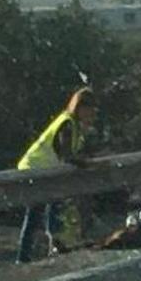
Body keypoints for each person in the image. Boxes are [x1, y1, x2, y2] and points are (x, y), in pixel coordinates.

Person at [15, 87, 97, 263]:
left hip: (46, 171)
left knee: (54, 207)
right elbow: (66, 155)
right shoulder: (67, 124)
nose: (91, 114)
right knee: (36, 213)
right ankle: (24, 258)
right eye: (88, 109)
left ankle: (52, 249)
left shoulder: (72, 124)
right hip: (35, 170)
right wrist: (86, 164)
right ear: (80, 108)